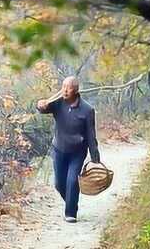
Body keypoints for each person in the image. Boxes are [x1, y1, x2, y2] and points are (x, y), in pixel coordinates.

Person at [36, 76, 101, 223]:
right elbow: (42, 108)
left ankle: (70, 213)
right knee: (59, 184)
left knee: (72, 181)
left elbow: (91, 135)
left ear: (76, 90)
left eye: (69, 87)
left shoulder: (87, 110)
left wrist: (95, 157)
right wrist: (40, 105)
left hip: (77, 152)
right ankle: (72, 203)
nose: (65, 90)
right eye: (63, 86)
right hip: (59, 149)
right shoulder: (58, 103)